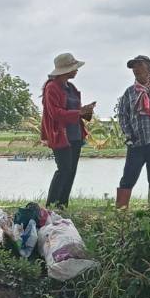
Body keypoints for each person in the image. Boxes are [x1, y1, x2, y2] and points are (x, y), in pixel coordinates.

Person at [115, 54, 150, 209]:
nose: (136, 69)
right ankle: (121, 210)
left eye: (139, 65)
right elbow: (122, 115)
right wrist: (129, 134)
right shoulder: (129, 92)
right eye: (134, 67)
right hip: (137, 142)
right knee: (129, 176)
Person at [41, 52, 95, 209]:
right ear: (65, 70)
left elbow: (75, 111)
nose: (76, 70)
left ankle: (62, 206)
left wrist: (86, 110)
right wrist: (79, 112)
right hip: (60, 136)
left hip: (75, 135)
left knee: (71, 172)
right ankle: (51, 205)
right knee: (63, 169)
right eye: (74, 67)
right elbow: (55, 113)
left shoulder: (70, 87)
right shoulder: (51, 88)